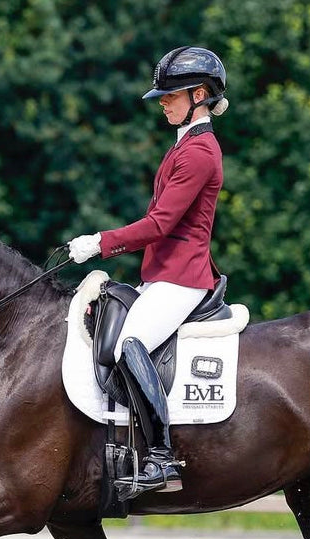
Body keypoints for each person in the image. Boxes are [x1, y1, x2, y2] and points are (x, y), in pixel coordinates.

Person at [67, 45, 229, 497]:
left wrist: (100, 242)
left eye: (171, 95)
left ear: (199, 95)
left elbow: (159, 224)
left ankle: (161, 458)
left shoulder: (199, 153)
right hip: (162, 274)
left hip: (182, 277)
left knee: (126, 343)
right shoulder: (183, 145)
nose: (162, 101)